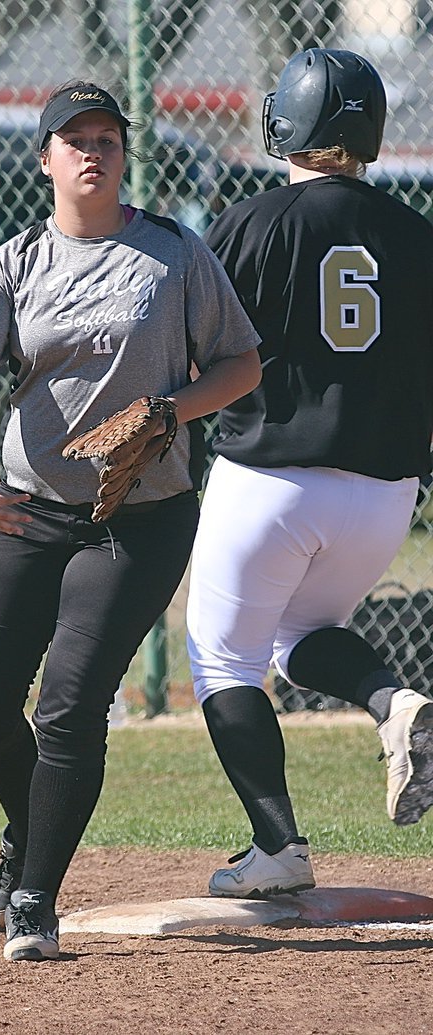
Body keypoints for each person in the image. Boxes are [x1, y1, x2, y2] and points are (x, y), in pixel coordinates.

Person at [0, 81, 262, 962]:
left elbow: (241, 364)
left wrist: (173, 408)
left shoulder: (173, 254)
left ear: (125, 156)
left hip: (139, 518)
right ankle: (27, 826)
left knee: (73, 705)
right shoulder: (14, 262)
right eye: (73, 138)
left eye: (107, 138)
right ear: (44, 158)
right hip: (23, 508)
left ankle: (35, 895)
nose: (93, 151)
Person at [186, 48, 433, 900]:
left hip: (271, 479)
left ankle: (277, 845)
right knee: (296, 637)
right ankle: (393, 700)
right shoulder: (417, 231)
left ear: (282, 122)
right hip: (386, 495)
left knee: (223, 660)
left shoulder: (253, 221)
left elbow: (198, 345)